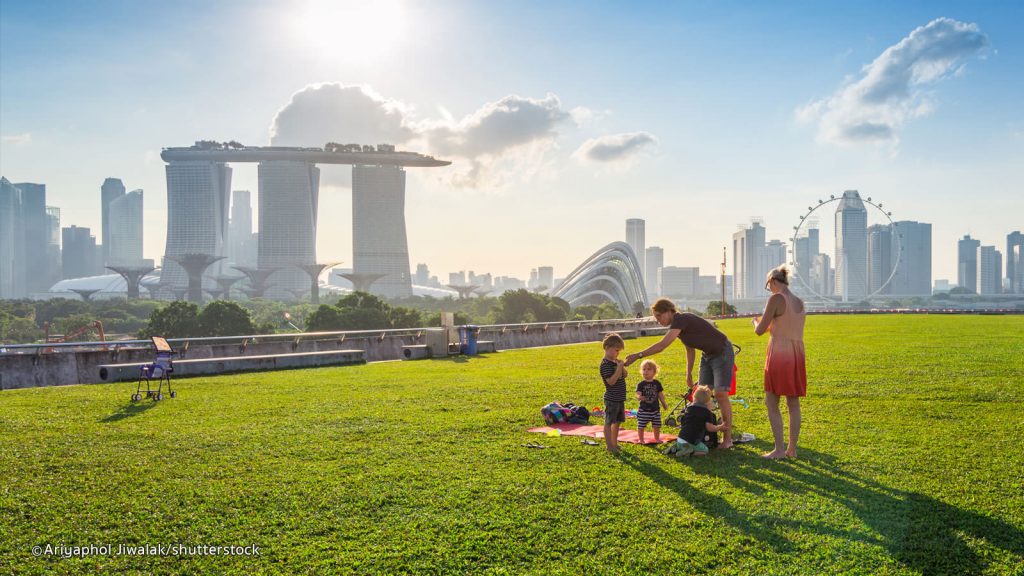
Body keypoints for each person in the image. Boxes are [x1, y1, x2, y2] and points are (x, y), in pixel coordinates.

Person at [624, 298, 737, 449]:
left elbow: (663, 345)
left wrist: (638, 355)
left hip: (722, 351)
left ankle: (727, 439)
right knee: (701, 395)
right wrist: (689, 373)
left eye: (659, 316)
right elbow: (689, 349)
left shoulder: (681, 319)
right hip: (707, 355)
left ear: (669, 311)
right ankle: (703, 434)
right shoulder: (679, 327)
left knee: (721, 394)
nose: (658, 320)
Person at [753, 265, 807, 459]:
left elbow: (760, 329)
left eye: (768, 286)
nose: (769, 289)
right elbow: (787, 325)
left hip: (779, 353)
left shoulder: (776, 298)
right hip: (797, 353)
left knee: (771, 400)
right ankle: (792, 449)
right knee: (793, 403)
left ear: (773, 282)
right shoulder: (799, 301)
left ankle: (778, 449)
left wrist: (754, 323)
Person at [674, 385, 726, 457]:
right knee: (704, 450)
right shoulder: (707, 413)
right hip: (691, 442)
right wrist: (720, 427)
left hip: (680, 439)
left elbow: (683, 421)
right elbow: (710, 428)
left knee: (684, 443)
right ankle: (689, 453)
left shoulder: (689, 408)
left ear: (694, 397)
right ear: (708, 402)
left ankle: (678, 448)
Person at [599, 333, 628, 453]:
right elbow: (611, 381)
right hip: (611, 399)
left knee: (617, 422)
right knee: (609, 422)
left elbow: (625, 375)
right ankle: (609, 445)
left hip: (620, 398)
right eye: (616, 350)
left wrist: (622, 366)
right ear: (607, 348)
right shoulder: (605, 364)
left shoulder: (615, 362)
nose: (618, 354)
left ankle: (615, 443)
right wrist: (619, 368)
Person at [635, 359, 668, 444]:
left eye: (649, 369)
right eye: (644, 369)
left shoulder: (657, 383)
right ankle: (641, 439)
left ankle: (657, 438)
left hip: (655, 410)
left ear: (654, 372)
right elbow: (637, 393)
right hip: (644, 410)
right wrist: (639, 397)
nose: (646, 371)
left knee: (656, 425)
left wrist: (664, 403)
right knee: (641, 425)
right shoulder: (641, 384)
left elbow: (660, 394)